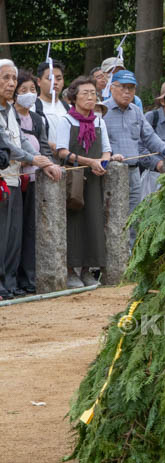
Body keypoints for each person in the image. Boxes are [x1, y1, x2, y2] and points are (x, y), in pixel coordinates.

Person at [0, 60, 62, 299]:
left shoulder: (10, 110)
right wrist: (34, 159)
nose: (11, 83)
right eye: (5, 78)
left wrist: (39, 158)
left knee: (13, 235)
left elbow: (21, 140)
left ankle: (10, 282)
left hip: (15, 179)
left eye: (13, 79)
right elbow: (7, 144)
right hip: (4, 177)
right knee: (2, 234)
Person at [102, 69, 165, 224]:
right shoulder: (102, 111)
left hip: (134, 171)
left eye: (131, 88)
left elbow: (149, 136)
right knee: (113, 215)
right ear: (112, 87)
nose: (127, 92)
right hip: (111, 171)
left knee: (134, 216)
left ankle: (132, 248)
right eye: (122, 87)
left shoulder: (135, 111)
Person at [54, 76, 111, 288]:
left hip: (95, 178)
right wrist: (89, 161)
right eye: (85, 93)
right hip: (74, 179)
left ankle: (88, 270)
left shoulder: (99, 121)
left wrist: (103, 162)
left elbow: (107, 148)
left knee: (95, 222)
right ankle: (71, 270)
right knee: (74, 222)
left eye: (93, 93)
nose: (90, 96)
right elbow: (62, 151)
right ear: (74, 97)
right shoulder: (66, 120)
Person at [13, 72, 50, 295]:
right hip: (15, 179)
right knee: (13, 231)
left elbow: (43, 146)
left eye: (32, 90)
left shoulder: (37, 119)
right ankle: (12, 278)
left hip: (35, 178)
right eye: (24, 90)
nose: (29, 94)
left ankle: (29, 278)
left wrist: (48, 163)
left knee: (30, 230)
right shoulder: (9, 116)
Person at [35, 60, 69, 152]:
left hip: (69, 162)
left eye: (59, 79)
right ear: (39, 81)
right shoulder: (32, 107)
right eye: (50, 79)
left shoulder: (69, 108)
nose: (55, 82)